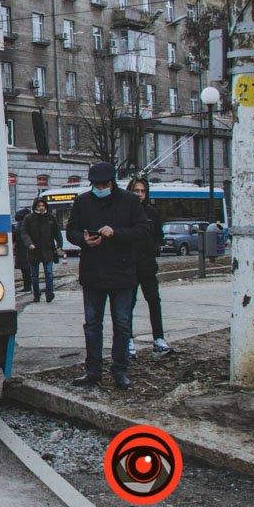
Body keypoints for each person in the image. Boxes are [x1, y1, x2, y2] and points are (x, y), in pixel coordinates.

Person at [65, 161, 151, 390]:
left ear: (111, 182)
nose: (99, 188)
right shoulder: (83, 201)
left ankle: (120, 370)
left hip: (122, 272)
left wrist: (116, 233)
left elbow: (142, 230)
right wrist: (83, 239)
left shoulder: (130, 201)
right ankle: (93, 370)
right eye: (96, 184)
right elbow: (71, 230)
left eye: (103, 184)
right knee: (92, 324)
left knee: (122, 324)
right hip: (93, 272)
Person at [127, 177, 171, 356]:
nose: (139, 194)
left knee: (154, 301)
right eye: (136, 191)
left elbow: (158, 235)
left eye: (142, 191)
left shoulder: (152, 212)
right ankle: (127, 341)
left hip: (148, 265)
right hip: (129, 266)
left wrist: (154, 248)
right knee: (128, 304)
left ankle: (159, 339)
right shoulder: (125, 212)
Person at [21, 197, 62, 302]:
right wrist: (29, 243)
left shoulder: (50, 218)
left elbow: (57, 233)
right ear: (35, 207)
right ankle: (36, 294)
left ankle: (49, 293)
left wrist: (59, 245)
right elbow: (24, 233)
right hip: (33, 251)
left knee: (49, 273)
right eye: (39, 206)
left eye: (43, 206)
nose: (41, 208)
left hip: (48, 250)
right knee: (34, 275)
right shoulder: (28, 218)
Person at [12, 208, 32, 292]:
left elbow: (17, 235)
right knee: (27, 270)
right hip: (24, 249)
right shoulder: (26, 223)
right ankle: (28, 286)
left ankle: (27, 287)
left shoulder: (20, 224)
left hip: (22, 250)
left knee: (26, 270)